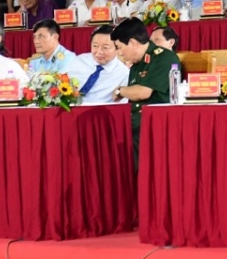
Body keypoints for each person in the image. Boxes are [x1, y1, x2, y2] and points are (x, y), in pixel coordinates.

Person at [111, 18, 183, 164]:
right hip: (137, 119)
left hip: (155, 121)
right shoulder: (138, 62)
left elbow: (143, 92)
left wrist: (120, 90)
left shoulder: (164, 57)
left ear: (132, 43)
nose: (119, 53)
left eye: (119, 47)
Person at [67, 25, 128, 105]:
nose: (99, 52)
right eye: (95, 46)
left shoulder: (123, 74)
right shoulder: (79, 61)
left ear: (117, 48)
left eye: (105, 47)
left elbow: (122, 106)